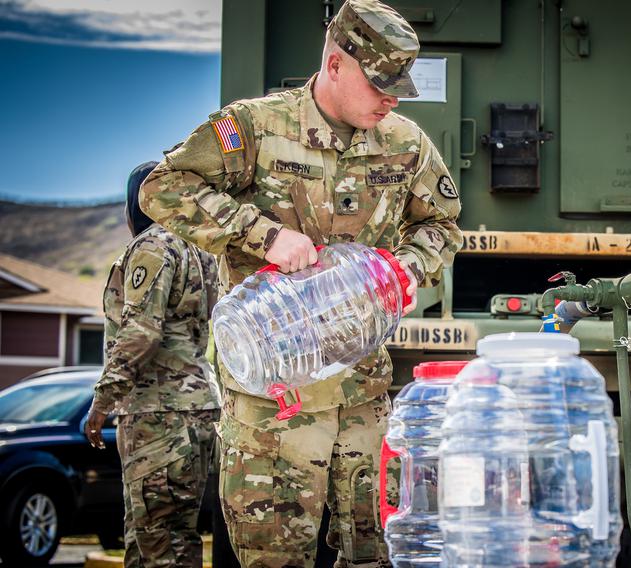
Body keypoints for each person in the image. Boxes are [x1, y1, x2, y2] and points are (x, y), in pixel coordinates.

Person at [138, 0, 463, 565]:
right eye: (381, 82)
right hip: (274, 402)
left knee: (377, 555)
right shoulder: (256, 127)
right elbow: (162, 187)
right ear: (336, 64)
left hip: (362, 394)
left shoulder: (405, 143)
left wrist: (404, 269)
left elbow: (441, 225)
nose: (392, 97)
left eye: (400, 85)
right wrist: (262, 235)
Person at [85, 161, 221, 567]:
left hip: (157, 412)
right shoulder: (202, 251)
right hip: (197, 408)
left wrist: (103, 400)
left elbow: (141, 332)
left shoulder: (151, 247)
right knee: (177, 537)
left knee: (154, 542)